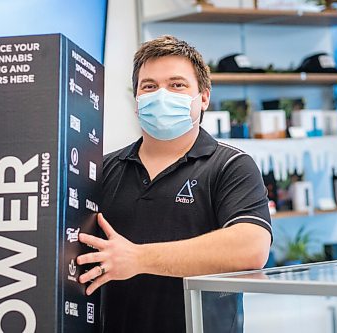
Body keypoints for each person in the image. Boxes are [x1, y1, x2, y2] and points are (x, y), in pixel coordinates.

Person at [76, 35, 272, 333]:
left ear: (204, 96)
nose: (162, 95)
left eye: (177, 84)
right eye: (149, 86)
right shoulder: (103, 169)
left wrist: (138, 258)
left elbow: (251, 248)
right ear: (137, 99)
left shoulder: (230, 165)